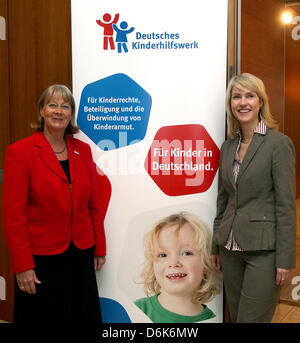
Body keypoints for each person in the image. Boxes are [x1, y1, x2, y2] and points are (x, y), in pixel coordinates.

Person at [3, 84, 106, 323]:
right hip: (42, 258)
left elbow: (94, 204)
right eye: (52, 105)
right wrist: (22, 265)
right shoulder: (20, 152)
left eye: (65, 106)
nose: (58, 111)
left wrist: (99, 246)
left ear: (71, 114)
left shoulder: (83, 151)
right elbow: (13, 216)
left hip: (80, 254)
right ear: (41, 111)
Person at [211, 73, 296, 323]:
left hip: (264, 252)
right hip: (230, 250)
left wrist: (285, 259)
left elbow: (285, 206)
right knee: (237, 318)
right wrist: (216, 244)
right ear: (230, 104)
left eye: (250, 95)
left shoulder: (278, 144)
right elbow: (223, 201)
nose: (243, 102)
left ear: (261, 102)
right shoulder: (228, 147)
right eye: (236, 97)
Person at [135, 212, 221, 323]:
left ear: (206, 263)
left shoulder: (212, 320)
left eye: (187, 253)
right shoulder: (137, 311)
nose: (173, 263)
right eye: (163, 255)